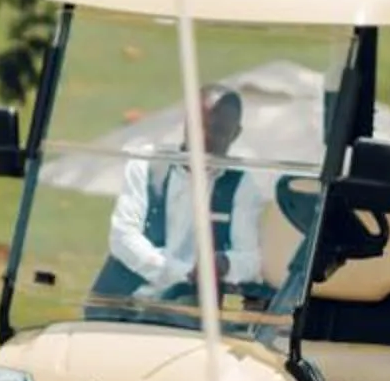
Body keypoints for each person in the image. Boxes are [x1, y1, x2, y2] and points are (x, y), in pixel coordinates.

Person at [91, 87, 266, 314]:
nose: (207, 138)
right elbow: (123, 237)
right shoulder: (145, 163)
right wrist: (182, 272)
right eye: (200, 126)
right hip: (115, 305)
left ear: (236, 133)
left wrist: (225, 263)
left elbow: (250, 259)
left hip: (185, 315)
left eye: (219, 130)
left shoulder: (241, 185)